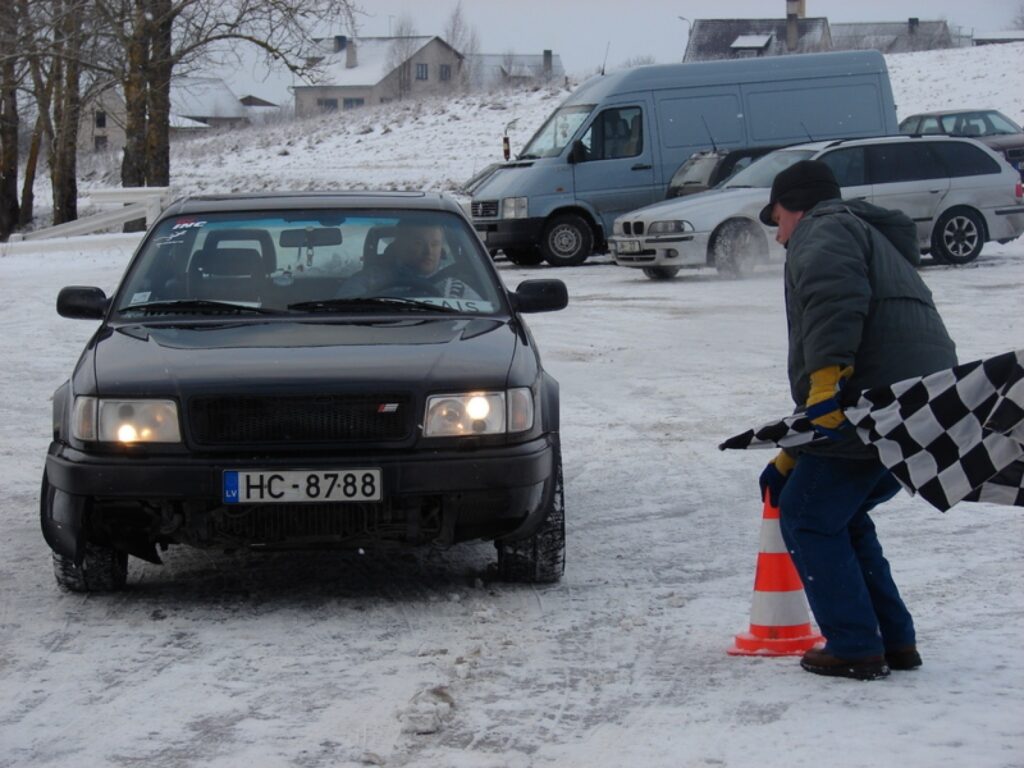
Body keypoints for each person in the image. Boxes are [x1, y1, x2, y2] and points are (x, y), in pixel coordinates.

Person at [756, 160, 958, 680]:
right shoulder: (869, 235)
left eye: (776, 219)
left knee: (807, 513)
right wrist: (793, 449)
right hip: (916, 402)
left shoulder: (823, 229)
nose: (777, 236)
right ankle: (893, 640)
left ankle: (854, 645)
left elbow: (834, 302)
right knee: (841, 514)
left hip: (874, 401)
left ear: (795, 204)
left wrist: (824, 386)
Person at [352, 223, 478, 300]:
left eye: (434, 244)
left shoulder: (458, 289)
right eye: (418, 243)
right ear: (399, 245)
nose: (428, 251)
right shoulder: (367, 282)